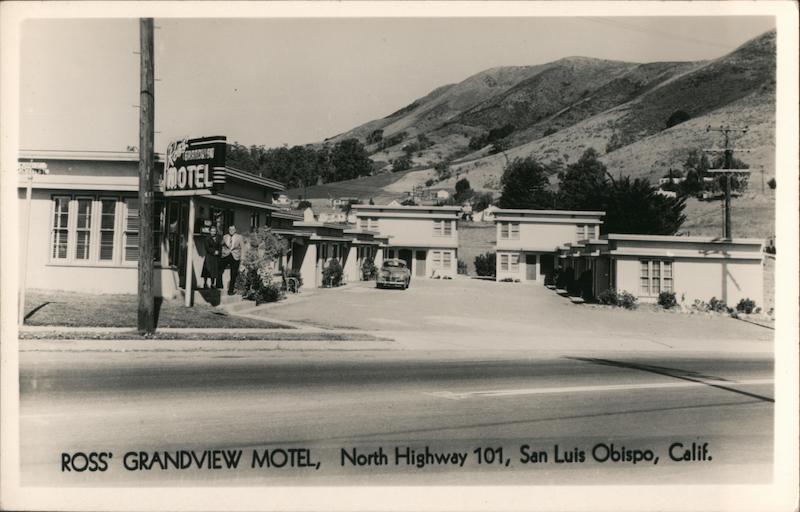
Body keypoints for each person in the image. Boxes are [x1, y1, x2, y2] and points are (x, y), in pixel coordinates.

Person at [222, 225, 244, 295]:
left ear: (235, 230)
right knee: (220, 270)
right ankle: (219, 286)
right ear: (228, 230)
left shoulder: (239, 237)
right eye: (230, 229)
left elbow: (243, 248)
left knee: (233, 273)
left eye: (232, 229)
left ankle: (230, 290)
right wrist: (222, 252)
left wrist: (242, 258)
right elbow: (221, 245)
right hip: (226, 255)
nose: (231, 231)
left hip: (235, 256)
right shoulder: (225, 237)